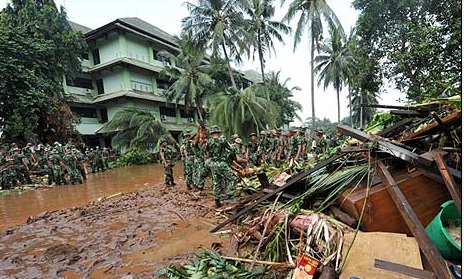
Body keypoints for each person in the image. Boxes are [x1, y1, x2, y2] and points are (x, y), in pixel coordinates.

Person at [205, 125, 235, 208]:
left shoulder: (208, 142)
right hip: (222, 163)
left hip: (213, 164)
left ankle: (217, 201)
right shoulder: (222, 140)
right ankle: (229, 196)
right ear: (218, 132)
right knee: (233, 178)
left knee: (216, 182)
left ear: (211, 133)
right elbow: (231, 149)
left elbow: (207, 155)